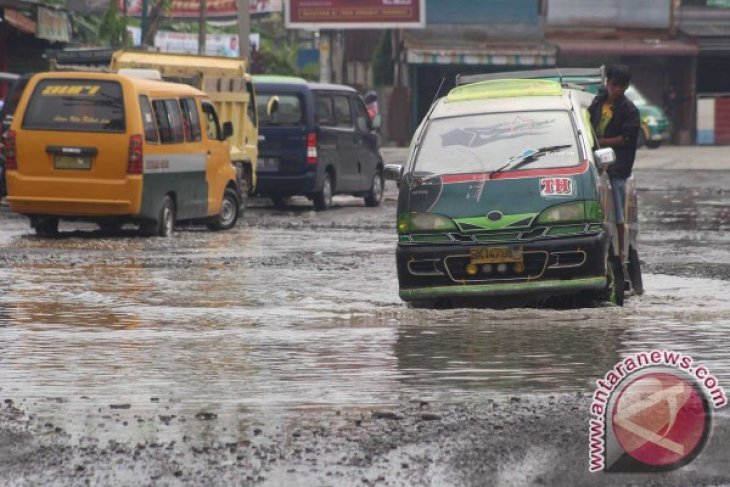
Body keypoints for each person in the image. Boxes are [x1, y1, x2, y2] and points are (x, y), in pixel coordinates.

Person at [588, 64, 640, 263]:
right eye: (614, 84)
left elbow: (626, 139)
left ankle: (621, 254)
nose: (617, 89)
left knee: (619, 212)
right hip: (595, 163)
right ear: (607, 82)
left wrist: (600, 143)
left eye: (622, 86)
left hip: (618, 167)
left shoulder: (629, 110)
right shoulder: (597, 103)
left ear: (626, 88)